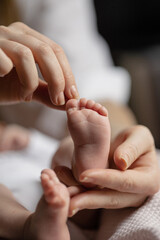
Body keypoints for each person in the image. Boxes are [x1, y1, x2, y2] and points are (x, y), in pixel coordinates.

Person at [0, 98, 159, 239]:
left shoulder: (16, 142)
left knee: (62, 151)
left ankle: (87, 162)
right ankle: (27, 226)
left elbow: (42, 148)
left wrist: (19, 139)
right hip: (30, 209)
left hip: (62, 190)